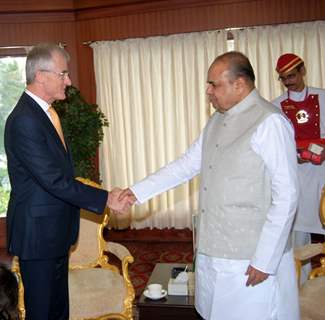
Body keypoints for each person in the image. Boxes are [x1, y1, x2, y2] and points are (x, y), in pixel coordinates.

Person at [118, 51, 300, 320]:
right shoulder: (217, 119)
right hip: (213, 248)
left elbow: (287, 195)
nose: (208, 91)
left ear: (239, 84)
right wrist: (136, 192)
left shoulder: (270, 122)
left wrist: (265, 258)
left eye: (214, 84)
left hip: (250, 256)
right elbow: (186, 165)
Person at [4, 43, 129, 320]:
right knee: (43, 312)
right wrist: (106, 198)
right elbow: (54, 181)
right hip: (38, 236)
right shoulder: (24, 120)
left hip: (55, 232)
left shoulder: (47, 113)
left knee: (59, 310)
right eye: (63, 74)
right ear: (41, 76)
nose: (69, 81)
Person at [272, 53, 325, 281]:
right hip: (296, 173)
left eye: (292, 76)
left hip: (323, 171)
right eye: (284, 78)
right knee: (298, 232)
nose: (289, 82)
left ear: (302, 71)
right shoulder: (276, 106)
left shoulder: (323, 97)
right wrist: (295, 155)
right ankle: (300, 286)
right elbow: (276, 144)